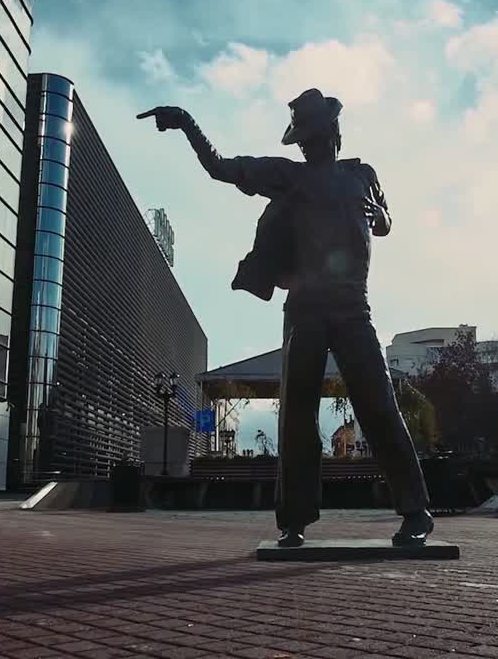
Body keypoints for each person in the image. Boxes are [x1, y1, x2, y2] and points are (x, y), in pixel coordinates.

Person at [138, 89, 434, 548]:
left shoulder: (362, 174)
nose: (313, 143)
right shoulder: (285, 176)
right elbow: (221, 167)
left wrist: (381, 217)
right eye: (306, 138)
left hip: (355, 308)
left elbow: (386, 219)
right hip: (305, 310)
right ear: (300, 143)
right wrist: (187, 124)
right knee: (297, 416)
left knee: (379, 404)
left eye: (318, 134)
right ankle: (293, 521)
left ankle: (415, 511)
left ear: (334, 133)